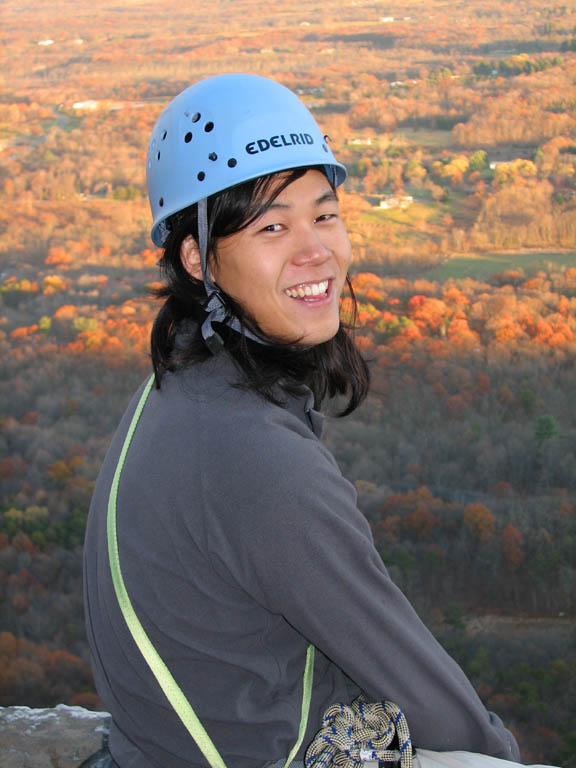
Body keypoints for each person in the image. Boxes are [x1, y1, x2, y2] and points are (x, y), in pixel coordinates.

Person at [83, 74, 522, 768]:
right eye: (271, 227)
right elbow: (427, 696)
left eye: (324, 214)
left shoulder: (184, 382)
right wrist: (499, 756)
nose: (315, 249)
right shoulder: (259, 462)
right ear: (200, 259)